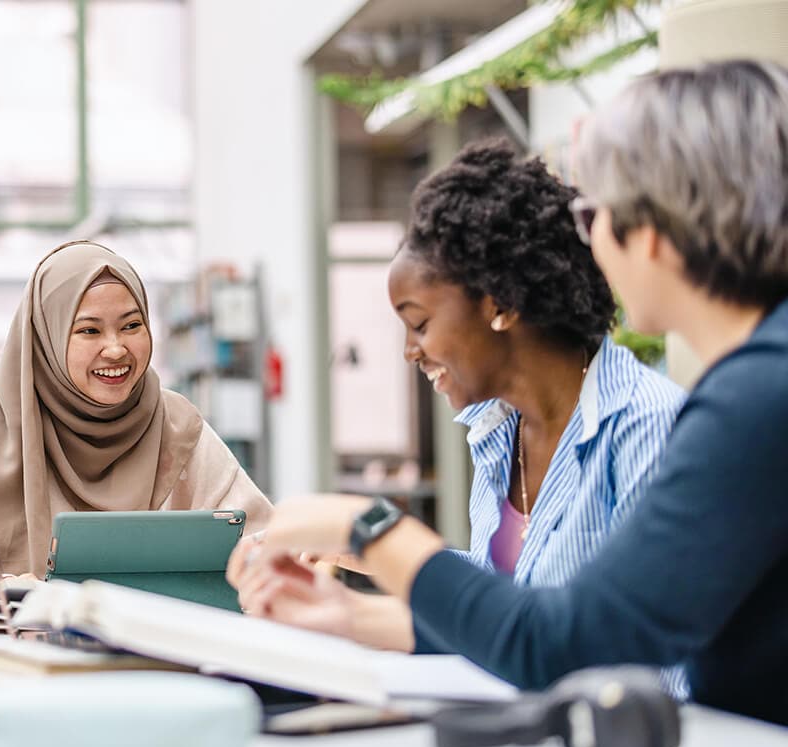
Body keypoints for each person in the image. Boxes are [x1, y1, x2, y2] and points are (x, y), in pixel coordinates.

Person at [228, 59, 788, 726]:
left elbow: (570, 641)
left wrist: (371, 527)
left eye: (596, 214)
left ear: (658, 222)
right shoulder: (757, 383)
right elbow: (536, 615)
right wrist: (358, 612)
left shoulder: (753, 399)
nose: (592, 243)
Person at [232, 140, 686, 663]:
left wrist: (372, 531)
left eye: (419, 324)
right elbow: (505, 597)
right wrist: (369, 569)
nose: (410, 353)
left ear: (502, 304)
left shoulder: (646, 426)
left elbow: (645, 653)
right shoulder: (498, 432)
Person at [0, 240, 272, 589]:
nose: (116, 349)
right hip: (10, 665)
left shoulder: (178, 430)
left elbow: (264, 542)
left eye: (132, 325)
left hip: (151, 663)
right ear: (45, 338)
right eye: (89, 331)